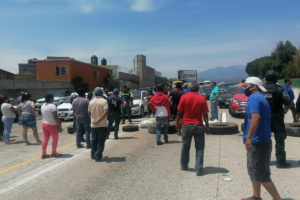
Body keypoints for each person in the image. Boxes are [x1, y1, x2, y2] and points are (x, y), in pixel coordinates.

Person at [242, 77, 281, 200]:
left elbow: (256, 118)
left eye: (246, 85)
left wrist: (248, 138)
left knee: (261, 174)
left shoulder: (254, 98)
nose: (244, 88)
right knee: (254, 172)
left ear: (254, 86)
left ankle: (277, 199)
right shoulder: (260, 98)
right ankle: (256, 196)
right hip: (260, 140)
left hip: (258, 142)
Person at [176, 82, 209, 176]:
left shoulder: (184, 97)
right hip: (198, 125)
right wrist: (207, 126)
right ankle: (199, 168)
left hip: (186, 125)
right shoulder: (202, 98)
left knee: (185, 146)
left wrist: (178, 123)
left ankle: (183, 165)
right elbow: (205, 114)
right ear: (198, 89)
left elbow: (179, 112)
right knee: (199, 148)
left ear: (189, 88)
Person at [264, 70, 291, 168]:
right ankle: (280, 162)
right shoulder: (280, 89)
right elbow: (288, 102)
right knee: (280, 140)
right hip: (277, 119)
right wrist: (284, 112)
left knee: (263, 140)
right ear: (275, 78)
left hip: (264, 119)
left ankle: (263, 161)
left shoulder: (261, 89)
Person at [88, 87, 108, 161]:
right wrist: (99, 120)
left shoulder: (91, 102)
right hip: (102, 125)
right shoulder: (104, 101)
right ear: (101, 93)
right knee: (101, 141)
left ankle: (93, 154)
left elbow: (89, 112)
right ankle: (97, 155)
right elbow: (106, 112)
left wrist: (93, 119)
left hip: (93, 125)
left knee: (94, 140)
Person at [41, 93, 62, 158]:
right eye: (53, 98)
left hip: (44, 124)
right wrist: (59, 126)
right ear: (51, 99)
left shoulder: (43, 105)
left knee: (45, 139)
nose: (53, 99)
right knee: (55, 139)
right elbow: (55, 117)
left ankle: (43, 153)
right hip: (52, 125)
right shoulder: (52, 106)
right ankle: (54, 152)